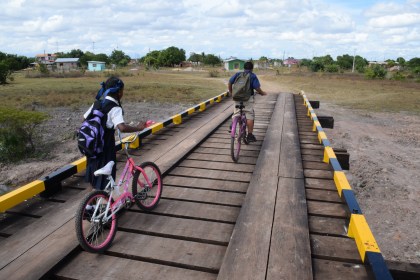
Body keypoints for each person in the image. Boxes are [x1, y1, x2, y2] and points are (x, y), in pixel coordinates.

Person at [83, 76, 147, 190]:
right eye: (122, 90)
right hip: (105, 147)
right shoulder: (114, 107)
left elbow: (84, 119)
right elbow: (122, 128)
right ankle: (107, 203)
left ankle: (90, 205)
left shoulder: (97, 103)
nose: (123, 93)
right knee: (106, 178)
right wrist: (138, 127)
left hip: (92, 145)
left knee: (94, 174)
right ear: (118, 92)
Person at [228, 61, 267, 142]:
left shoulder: (238, 74)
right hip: (247, 99)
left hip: (237, 98)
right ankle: (249, 135)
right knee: (249, 115)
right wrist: (262, 93)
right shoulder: (252, 76)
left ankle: (233, 125)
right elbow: (257, 87)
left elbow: (229, 82)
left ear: (244, 68)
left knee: (237, 112)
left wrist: (231, 93)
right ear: (252, 68)